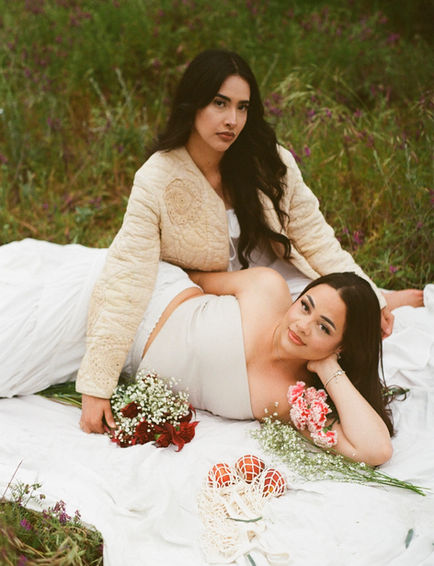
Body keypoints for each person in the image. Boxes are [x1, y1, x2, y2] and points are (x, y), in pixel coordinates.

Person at [75, 48, 423, 433]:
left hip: (268, 279)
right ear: (193, 102)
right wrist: (97, 385)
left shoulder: (269, 161)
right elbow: (127, 277)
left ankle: (384, 296)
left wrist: (370, 297)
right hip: (207, 292)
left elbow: (315, 237)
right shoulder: (156, 178)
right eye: (220, 103)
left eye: (242, 107)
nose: (232, 120)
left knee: (346, 321)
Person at [0, 238, 393, 466]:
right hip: (127, 300)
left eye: (324, 327)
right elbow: (194, 277)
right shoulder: (267, 289)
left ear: (341, 346)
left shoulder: (294, 400)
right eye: (305, 306)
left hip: (118, 355)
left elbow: (375, 449)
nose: (302, 325)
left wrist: (327, 368)